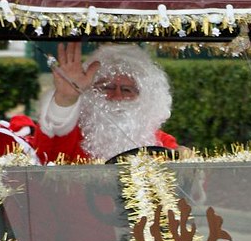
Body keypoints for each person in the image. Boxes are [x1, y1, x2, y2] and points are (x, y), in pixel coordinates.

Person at [34, 42, 178, 163]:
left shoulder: (160, 144)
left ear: (145, 98)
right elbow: (44, 157)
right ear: (90, 91)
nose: (116, 96)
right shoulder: (70, 136)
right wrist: (66, 99)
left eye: (127, 90)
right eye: (106, 87)